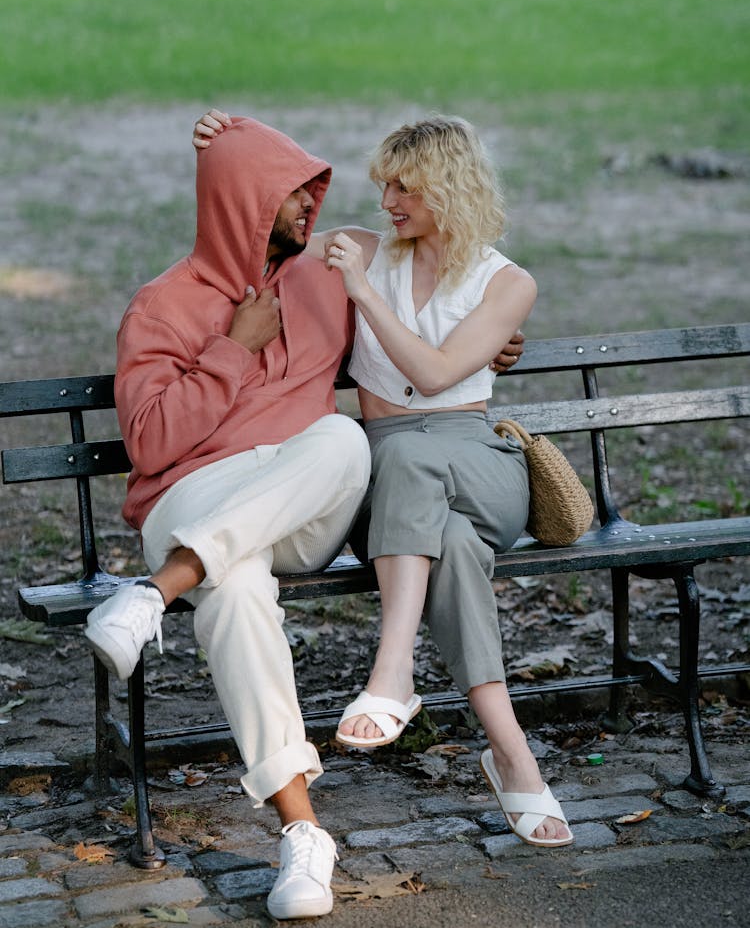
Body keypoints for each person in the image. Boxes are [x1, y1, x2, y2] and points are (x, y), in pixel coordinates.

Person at [84, 112, 530, 921]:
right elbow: (149, 446)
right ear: (245, 204)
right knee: (237, 591)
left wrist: (493, 343)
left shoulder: (327, 277)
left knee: (341, 439)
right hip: (196, 499)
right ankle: (304, 836)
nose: (309, 210)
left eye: (311, 194)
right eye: (292, 195)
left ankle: (153, 593)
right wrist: (235, 346)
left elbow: (425, 303)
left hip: (299, 502)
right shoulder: (161, 305)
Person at [193, 112, 572, 849]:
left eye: (405, 186)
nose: (387, 201)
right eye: (384, 185)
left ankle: (393, 669)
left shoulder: (507, 283)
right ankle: (511, 749)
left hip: (480, 464)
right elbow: (256, 242)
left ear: (449, 188)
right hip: (395, 487)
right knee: (450, 541)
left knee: (407, 457)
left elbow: (429, 375)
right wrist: (227, 143)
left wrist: (365, 295)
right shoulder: (362, 249)